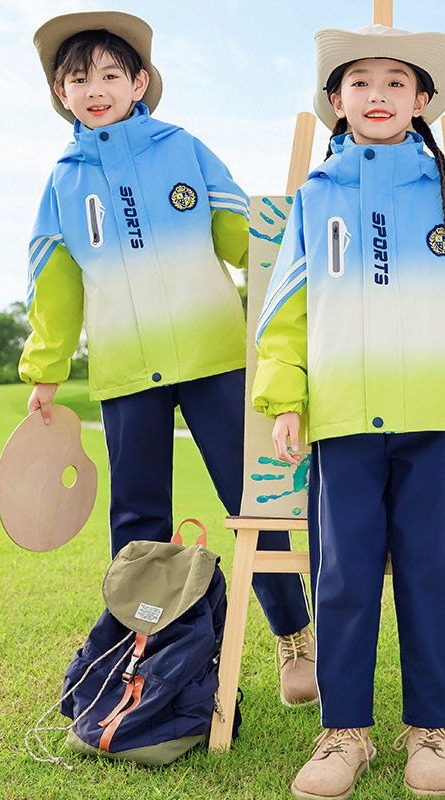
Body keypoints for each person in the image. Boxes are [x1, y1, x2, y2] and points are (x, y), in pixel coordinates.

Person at [253, 24, 445, 799]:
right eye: (361, 83)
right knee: (344, 578)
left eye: (397, 83)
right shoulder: (314, 196)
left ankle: (433, 729)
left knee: (434, 576)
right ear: (336, 103)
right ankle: (343, 733)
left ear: (422, 101)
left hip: (438, 414)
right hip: (343, 419)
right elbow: (284, 313)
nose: (379, 95)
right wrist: (284, 399)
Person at [19, 11, 316, 706]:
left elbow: (240, 232)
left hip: (216, 354)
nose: (95, 89)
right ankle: (138, 655)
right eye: (78, 79)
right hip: (125, 370)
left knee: (254, 501)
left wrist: (294, 244)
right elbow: (53, 287)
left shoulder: (183, 148)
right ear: (61, 94)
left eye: (110, 75)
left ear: (140, 82)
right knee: (137, 518)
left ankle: (293, 636)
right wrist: (46, 370)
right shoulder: (62, 183)